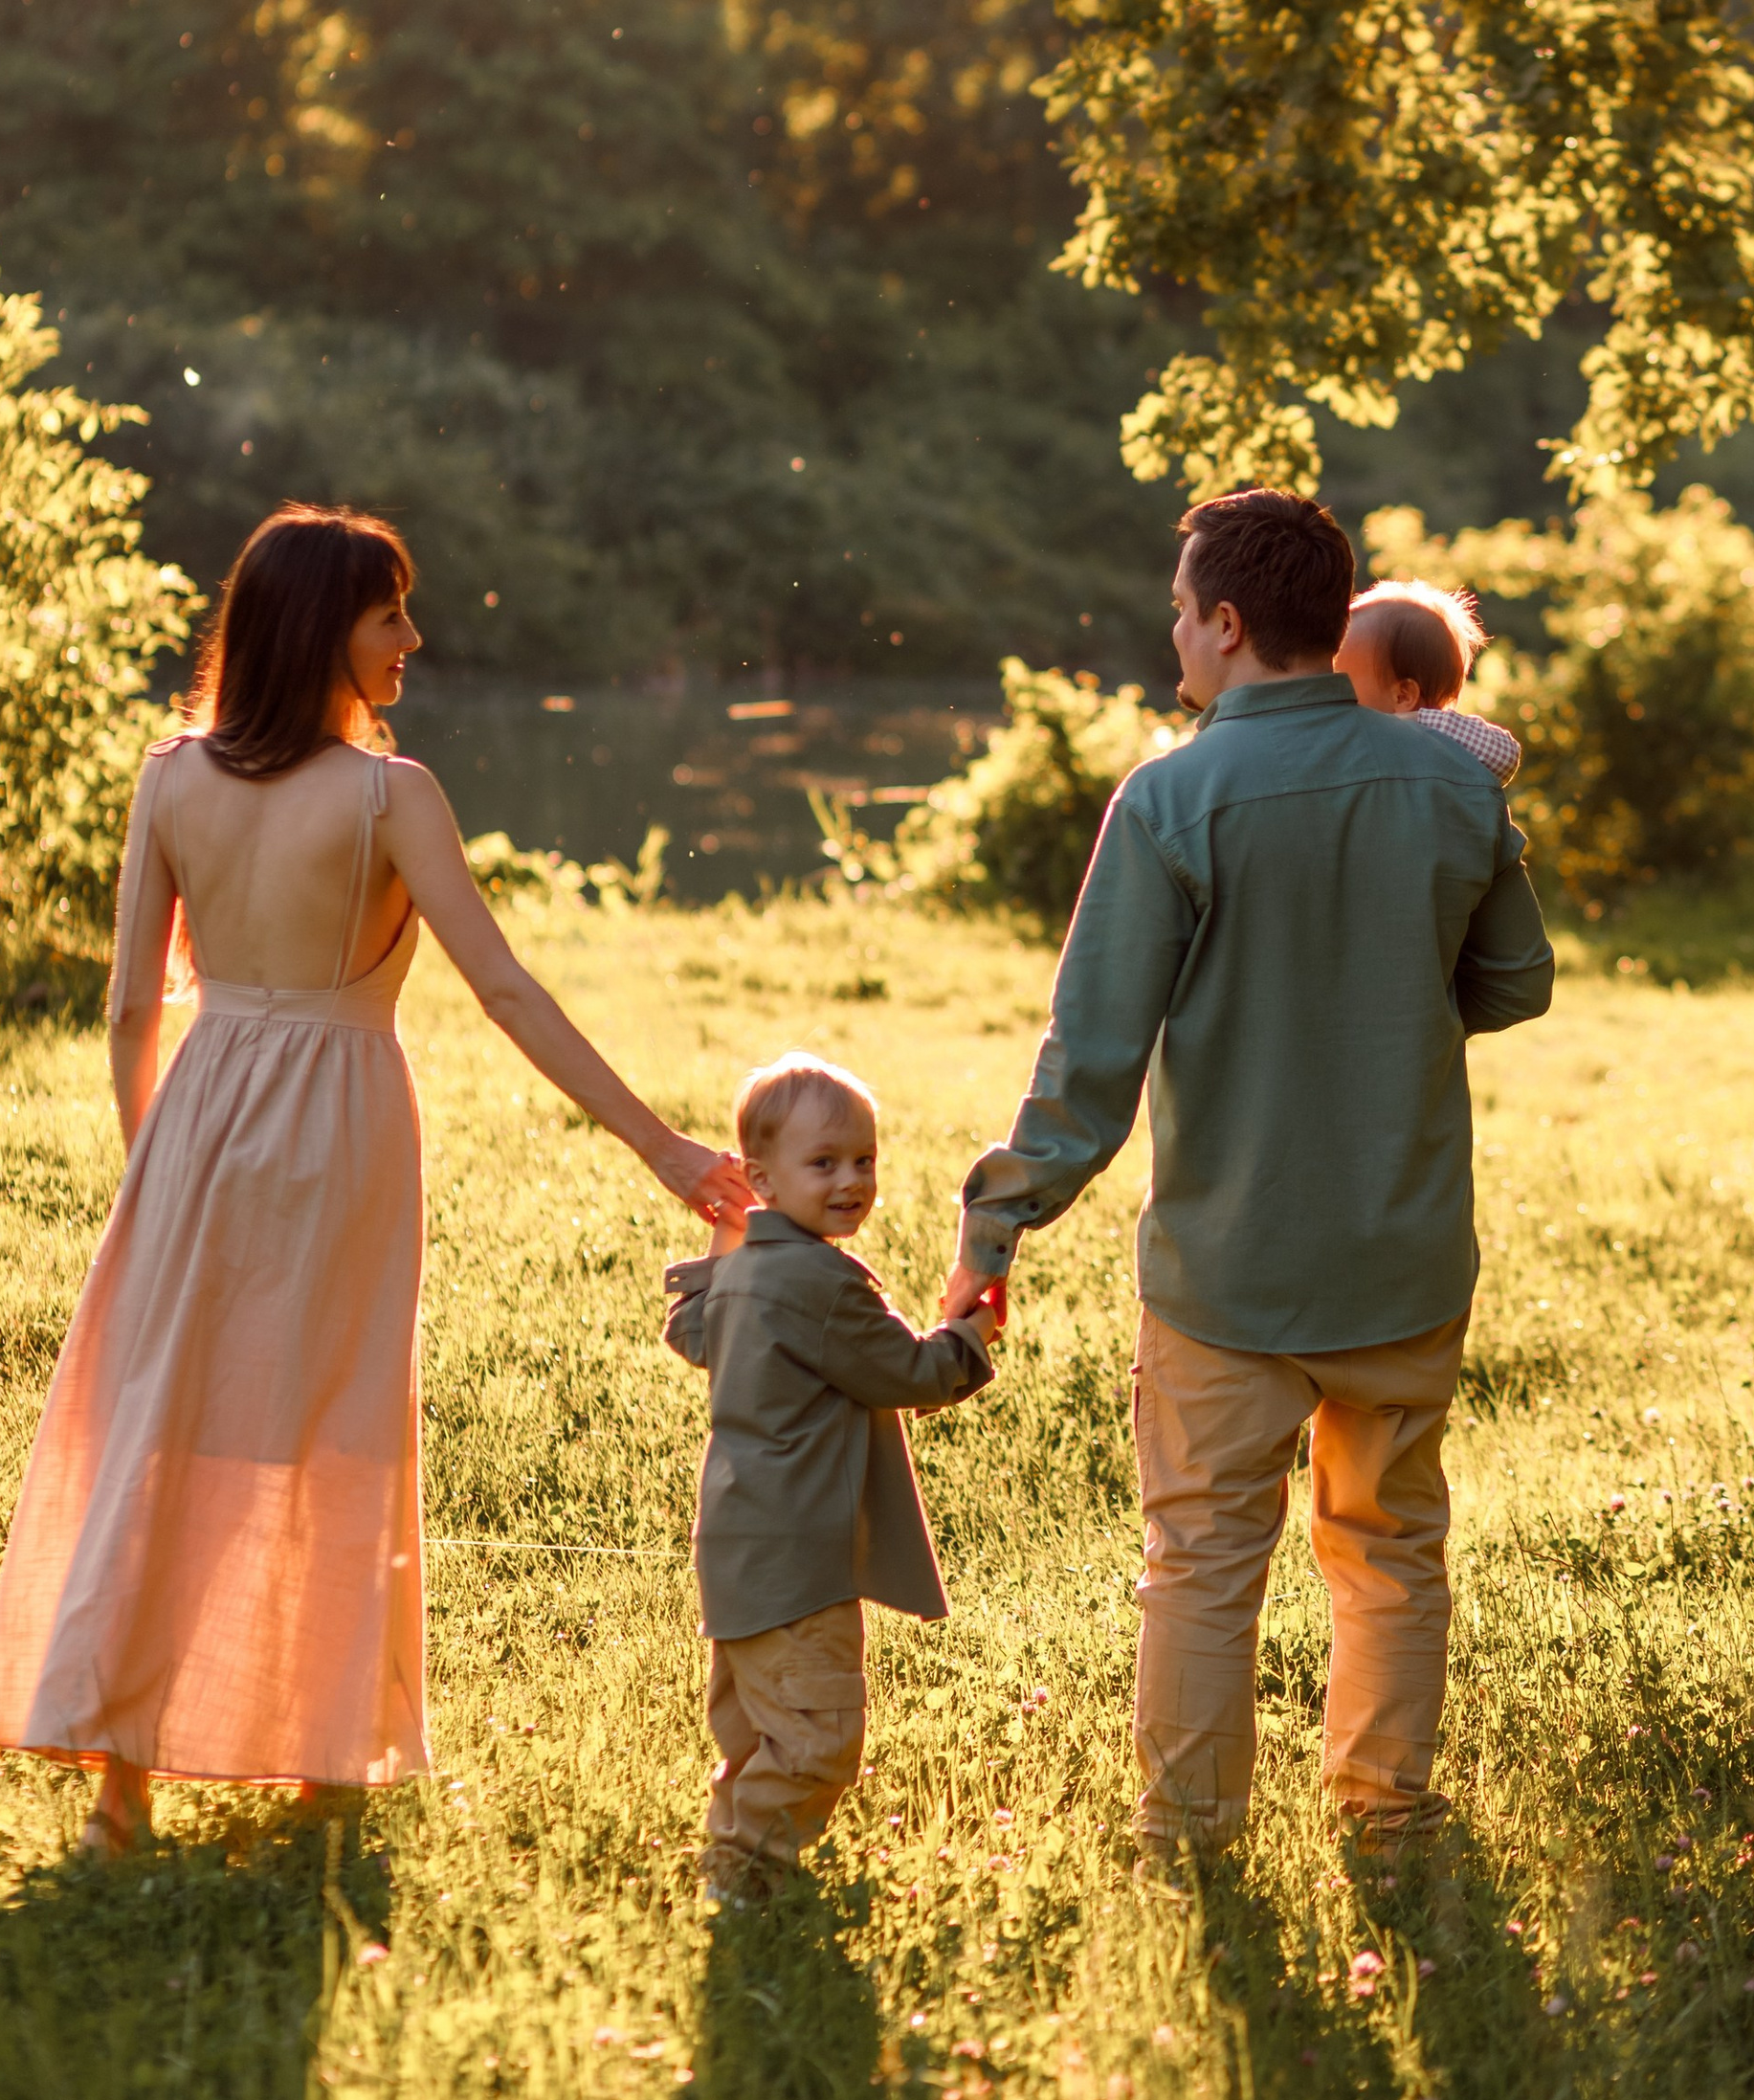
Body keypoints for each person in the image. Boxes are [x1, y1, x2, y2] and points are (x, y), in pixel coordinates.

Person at [0, 503, 744, 1858]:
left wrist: (149, 1160)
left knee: (172, 1418)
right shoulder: (394, 795)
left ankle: (122, 1791)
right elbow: (504, 989)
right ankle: (323, 1769)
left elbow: (127, 1012)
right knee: (329, 1424)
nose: (412, 638)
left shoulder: (169, 777)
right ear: (325, 626)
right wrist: (663, 1145)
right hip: (337, 1122)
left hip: (196, 1121)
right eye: (390, 612)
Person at [943, 487, 1554, 1872]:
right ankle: (1389, 1822)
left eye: (1178, 611)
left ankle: (1186, 1843)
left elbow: (1091, 1060)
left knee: (1206, 1565)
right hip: (1399, 1257)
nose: (1173, 635)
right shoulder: (1454, 778)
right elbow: (1516, 981)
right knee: (1390, 1550)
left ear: (1226, 624)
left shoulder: (1170, 798)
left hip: (1228, 1272)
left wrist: (997, 1222)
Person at [663, 1058, 998, 1896]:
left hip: (737, 1544)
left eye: (865, 1159)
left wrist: (728, 1229)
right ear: (764, 1178)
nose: (852, 1179)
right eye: (826, 1163)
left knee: (757, 1730)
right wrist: (968, 1333)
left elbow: (688, 1329)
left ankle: (736, 1865)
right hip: (801, 1557)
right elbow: (912, 1375)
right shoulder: (820, 1282)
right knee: (817, 1738)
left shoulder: (742, 1272)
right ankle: (749, 1877)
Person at [1337, 577, 1523, 786]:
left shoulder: (1436, 748)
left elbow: (1503, 755)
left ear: (1403, 696)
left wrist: (1410, 722)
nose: (1328, 690)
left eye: (1340, 682)